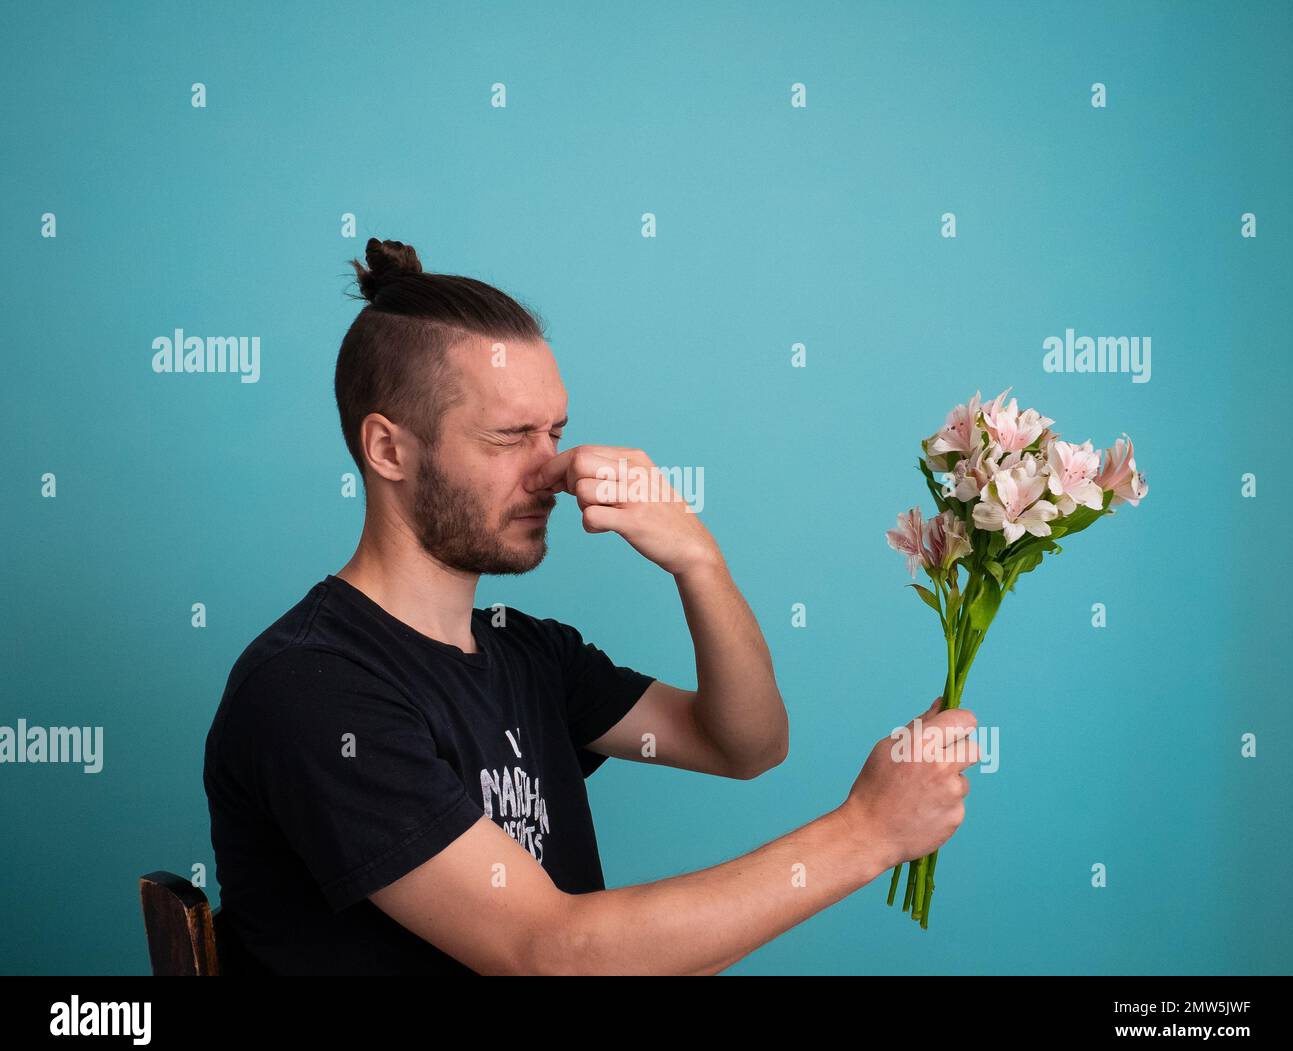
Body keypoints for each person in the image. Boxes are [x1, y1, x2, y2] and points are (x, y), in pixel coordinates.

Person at [202, 237, 978, 975]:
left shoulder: (526, 652)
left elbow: (746, 744)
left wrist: (696, 560)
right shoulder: (314, 688)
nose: (554, 470)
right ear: (388, 449)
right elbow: (550, 955)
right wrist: (867, 833)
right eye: (510, 437)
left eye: (557, 431)